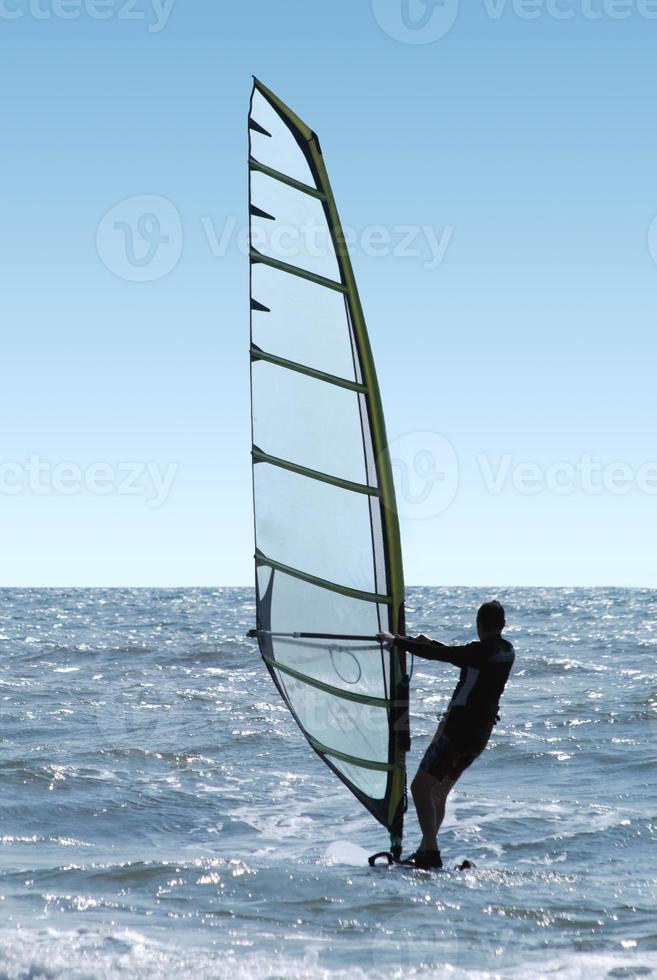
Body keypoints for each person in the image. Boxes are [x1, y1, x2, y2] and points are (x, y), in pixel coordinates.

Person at [378, 601, 514, 870]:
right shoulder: (505, 651)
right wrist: (427, 642)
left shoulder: (479, 651)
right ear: (503, 625)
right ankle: (425, 849)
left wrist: (398, 642)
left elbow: (450, 655)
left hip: (458, 731)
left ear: (478, 624)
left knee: (420, 788)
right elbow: (458, 655)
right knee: (438, 792)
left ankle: (430, 850)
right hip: (479, 735)